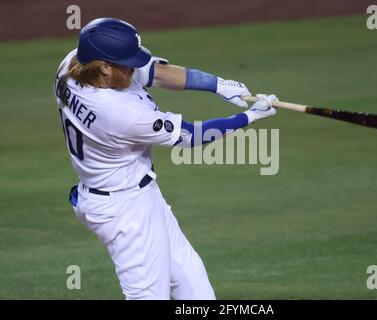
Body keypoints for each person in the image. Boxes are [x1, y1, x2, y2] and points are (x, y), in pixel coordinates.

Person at [54, 17, 277, 300]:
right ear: (106, 68)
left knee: (194, 288)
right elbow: (191, 135)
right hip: (125, 212)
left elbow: (156, 73)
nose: (135, 68)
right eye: (128, 63)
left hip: (134, 195)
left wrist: (217, 85)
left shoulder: (73, 64)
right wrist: (249, 116)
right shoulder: (120, 113)